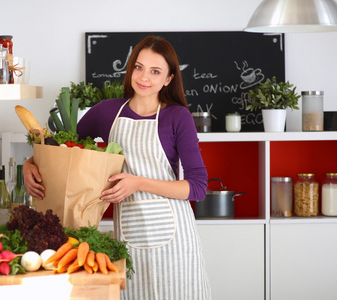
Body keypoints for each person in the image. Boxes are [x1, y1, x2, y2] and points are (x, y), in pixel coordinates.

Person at [23, 36, 211, 299]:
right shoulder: (107, 112)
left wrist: (138, 182)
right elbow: (63, 149)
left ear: (168, 79)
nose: (144, 77)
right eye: (138, 67)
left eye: (155, 71)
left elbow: (197, 187)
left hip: (175, 238)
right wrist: (30, 163)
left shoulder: (177, 116)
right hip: (130, 236)